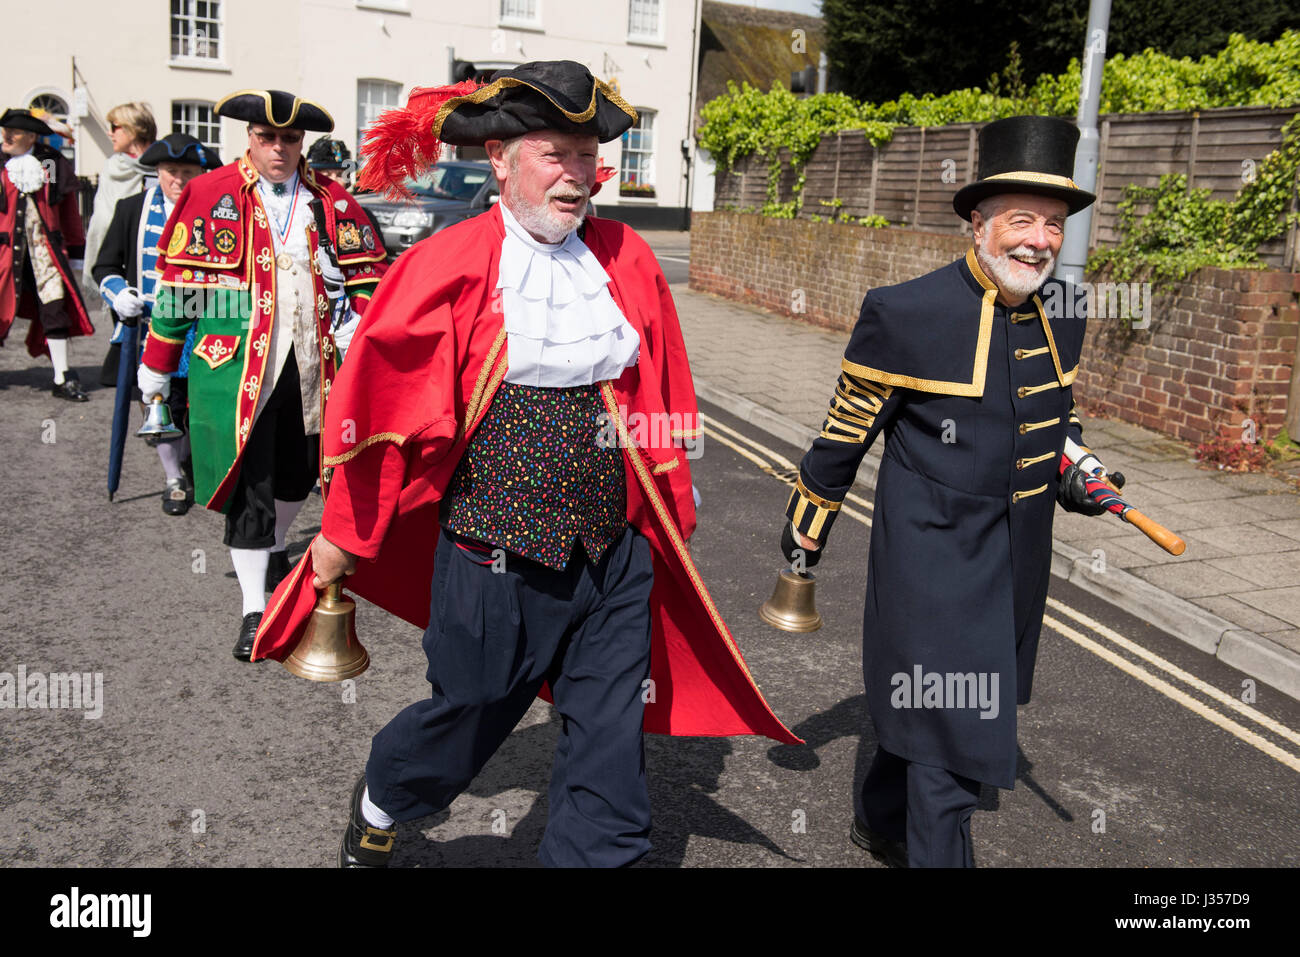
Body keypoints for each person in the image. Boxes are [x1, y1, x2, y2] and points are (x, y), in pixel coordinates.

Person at [250, 62, 798, 868]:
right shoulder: (446, 263)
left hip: (614, 551)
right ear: (500, 160)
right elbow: (383, 410)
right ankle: (385, 793)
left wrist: (673, 496)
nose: (576, 176)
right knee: (471, 707)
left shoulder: (628, 257)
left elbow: (662, 383)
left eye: (587, 156)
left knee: (609, 736)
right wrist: (343, 532)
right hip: (491, 547)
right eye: (554, 154)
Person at [782, 116, 1115, 868]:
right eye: (1021, 220)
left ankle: (879, 815)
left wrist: (1080, 472)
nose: (1038, 240)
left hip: (1018, 554)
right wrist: (807, 529)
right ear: (979, 222)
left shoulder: (1068, 309)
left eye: (1054, 225)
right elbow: (846, 431)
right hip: (930, 556)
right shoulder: (906, 311)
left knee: (939, 714)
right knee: (954, 739)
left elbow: (1052, 418)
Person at [137, 89, 387, 659]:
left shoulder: (331, 198)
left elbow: (369, 278)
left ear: (303, 143)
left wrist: (364, 329)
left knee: (300, 475)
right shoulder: (209, 193)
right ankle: (255, 607)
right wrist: (156, 365)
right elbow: (179, 292)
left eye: (290, 139)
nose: (279, 148)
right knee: (253, 485)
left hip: (315, 368)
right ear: (248, 138)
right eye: (267, 137)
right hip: (237, 370)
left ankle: (275, 546)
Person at [92, 133, 219, 514]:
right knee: (160, 404)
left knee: (202, 407)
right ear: (157, 171)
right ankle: (173, 479)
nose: (178, 180)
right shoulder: (133, 209)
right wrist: (118, 294)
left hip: (205, 325)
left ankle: (196, 465)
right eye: (171, 171)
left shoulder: (217, 209)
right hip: (150, 328)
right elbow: (105, 265)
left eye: (187, 171)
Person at [0, 108, 94, 400]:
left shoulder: (52, 163)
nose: (6, 136)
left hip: (45, 253)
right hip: (4, 252)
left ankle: (61, 376)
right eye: (5, 131)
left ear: (31, 136)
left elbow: (68, 214)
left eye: (13, 132)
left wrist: (76, 252)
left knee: (55, 310)